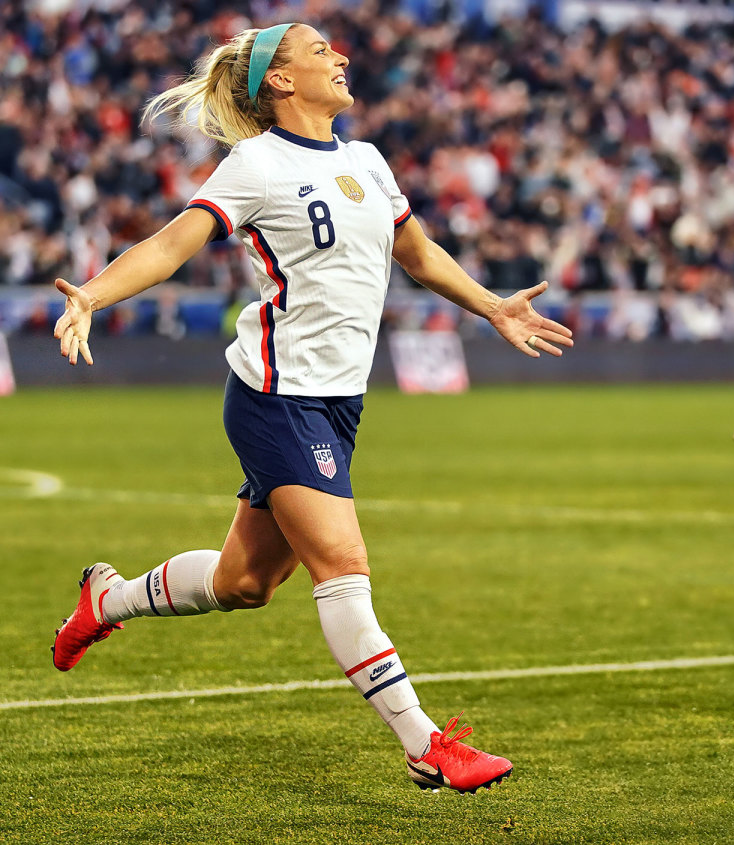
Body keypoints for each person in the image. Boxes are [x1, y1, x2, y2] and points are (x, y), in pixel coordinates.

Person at [50, 23, 573, 794]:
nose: (341, 56)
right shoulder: (257, 164)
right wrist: (91, 295)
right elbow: (169, 245)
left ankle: (109, 597)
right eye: (320, 49)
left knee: (244, 582)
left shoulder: (367, 161)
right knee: (344, 564)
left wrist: (492, 305)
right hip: (276, 395)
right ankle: (425, 744)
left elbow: (418, 254)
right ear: (281, 79)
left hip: (338, 403)